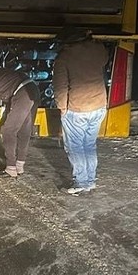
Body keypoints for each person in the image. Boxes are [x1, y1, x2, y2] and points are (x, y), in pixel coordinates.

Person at [52, 26, 109, 194]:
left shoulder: (64, 58)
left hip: (77, 108)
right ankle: (90, 180)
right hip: (98, 105)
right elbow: (104, 59)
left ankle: (81, 182)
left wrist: (62, 107)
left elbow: (60, 87)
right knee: (89, 145)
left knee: (75, 147)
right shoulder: (98, 50)